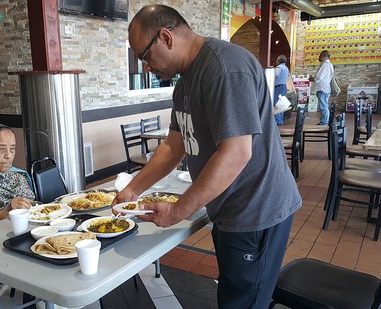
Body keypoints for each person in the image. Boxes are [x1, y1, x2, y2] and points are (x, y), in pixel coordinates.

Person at [116, 5, 301, 308]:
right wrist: (133, 188)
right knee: (233, 293)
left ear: (166, 37)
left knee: (243, 300)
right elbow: (172, 147)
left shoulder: (224, 67)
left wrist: (178, 211)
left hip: (256, 211)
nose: (146, 67)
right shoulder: (185, 82)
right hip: (230, 210)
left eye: (145, 56)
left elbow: (236, 153)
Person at [309, 50, 333, 125]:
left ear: (325, 56)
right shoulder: (329, 65)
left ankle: (324, 122)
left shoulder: (325, 65)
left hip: (323, 89)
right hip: (325, 88)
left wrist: (312, 78)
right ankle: (324, 121)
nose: (319, 57)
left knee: (323, 107)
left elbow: (319, 77)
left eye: (320, 56)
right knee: (324, 106)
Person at [273, 54, 289, 126]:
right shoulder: (286, 68)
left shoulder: (279, 68)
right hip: (284, 86)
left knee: (277, 104)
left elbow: (275, 76)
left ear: (278, 61)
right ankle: (280, 120)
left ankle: (277, 121)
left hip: (278, 87)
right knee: (282, 104)